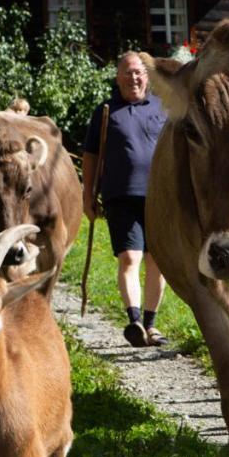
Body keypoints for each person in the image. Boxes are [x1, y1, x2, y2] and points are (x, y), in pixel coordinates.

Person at [82, 52, 169, 348]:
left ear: (147, 76)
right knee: (130, 257)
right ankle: (133, 320)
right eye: (128, 73)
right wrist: (88, 194)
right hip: (119, 194)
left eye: (139, 73)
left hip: (160, 195)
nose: (134, 78)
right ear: (118, 77)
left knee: (157, 260)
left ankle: (151, 324)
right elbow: (91, 155)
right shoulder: (105, 111)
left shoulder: (162, 108)